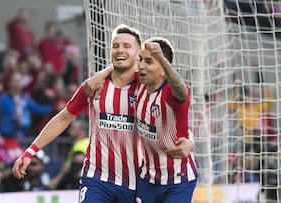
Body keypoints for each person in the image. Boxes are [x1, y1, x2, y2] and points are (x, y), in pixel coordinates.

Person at [13, 24, 193, 202]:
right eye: (115, 46)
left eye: (126, 46)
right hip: (96, 178)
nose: (119, 50)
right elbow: (63, 118)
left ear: (139, 56)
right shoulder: (94, 86)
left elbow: (172, 115)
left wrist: (190, 141)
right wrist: (30, 152)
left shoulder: (145, 86)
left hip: (132, 183)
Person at [135, 38, 198, 202]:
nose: (141, 66)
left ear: (163, 69)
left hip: (178, 180)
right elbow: (120, 68)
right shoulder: (139, 85)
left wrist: (161, 59)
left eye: (149, 61)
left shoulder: (170, 93)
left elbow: (182, 91)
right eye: (141, 59)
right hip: (147, 177)